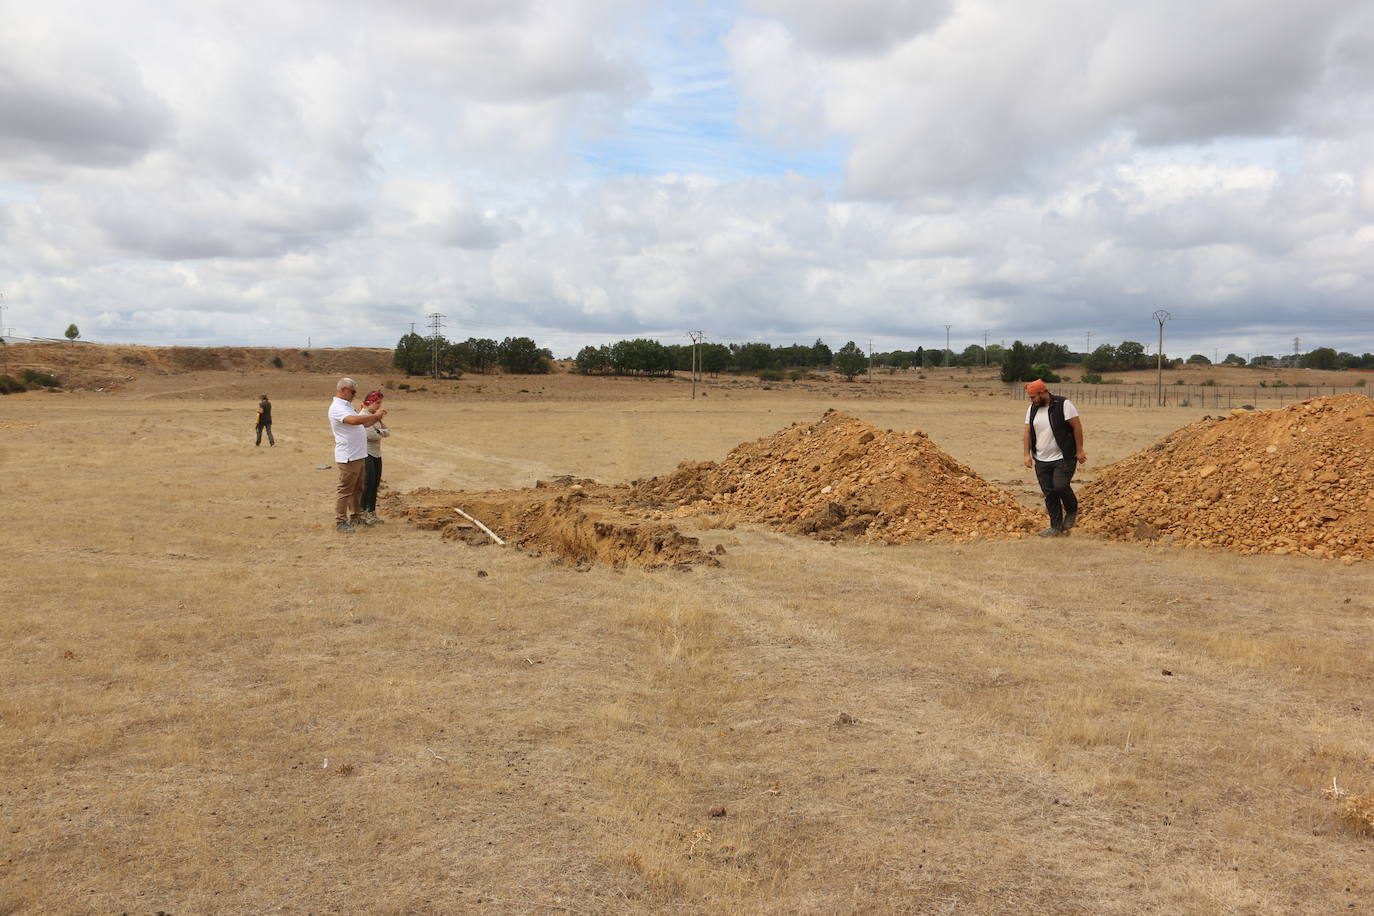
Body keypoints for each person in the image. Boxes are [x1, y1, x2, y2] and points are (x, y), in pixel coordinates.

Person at [1023, 379, 1086, 537]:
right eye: (1030, 398)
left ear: (1043, 392)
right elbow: (1028, 432)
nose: (1032, 401)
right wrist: (1026, 454)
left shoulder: (1064, 404)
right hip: (1041, 459)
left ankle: (1071, 511)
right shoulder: (1032, 409)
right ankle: (1056, 527)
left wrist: (1079, 450)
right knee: (1049, 493)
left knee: (1060, 486)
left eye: (1033, 397)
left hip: (1064, 457)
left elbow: (1077, 426)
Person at [328, 378, 387, 533]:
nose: (355, 395)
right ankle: (341, 521)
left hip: (358, 454)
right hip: (348, 454)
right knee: (345, 489)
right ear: (343, 390)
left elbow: (362, 423)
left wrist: (374, 418)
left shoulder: (346, 406)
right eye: (353, 391)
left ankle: (356, 517)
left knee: (357, 489)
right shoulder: (337, 407)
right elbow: (353, 420)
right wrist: (375, 416)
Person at [358, 389, 390, 525]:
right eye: (377, 403)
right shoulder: (364, 415)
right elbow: (371, 435)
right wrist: (380, 432)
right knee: (368, 483)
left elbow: (387, 432)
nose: (379, 406)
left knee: (375, 484)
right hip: (366, 453)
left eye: (380, 403)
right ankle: (362, 512)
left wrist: (380, 429)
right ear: (369, 402)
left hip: (376, 453)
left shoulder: (375, 416)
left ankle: (372, 512)